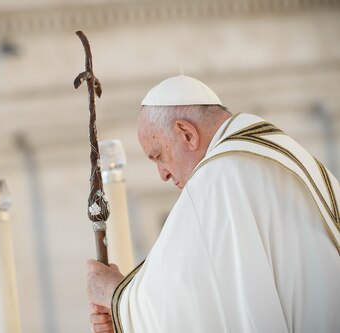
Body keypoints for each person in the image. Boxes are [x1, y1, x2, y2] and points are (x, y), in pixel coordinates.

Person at [86, 74, 340, 333]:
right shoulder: (274, 149)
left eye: (159, 156)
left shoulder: (219, 176)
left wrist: (117, 299)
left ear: (187, 134)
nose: (162, 174)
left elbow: (187, 301)